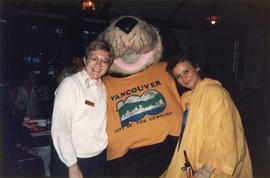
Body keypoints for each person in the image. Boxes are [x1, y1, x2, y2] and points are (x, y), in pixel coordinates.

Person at [162, 52, 253, 178]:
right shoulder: (185, 98)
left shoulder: (215, 93)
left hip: (213, 166)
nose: (184, 78)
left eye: (186, 71)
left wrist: (207, 169)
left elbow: (225, 132)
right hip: (191, 160)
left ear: (197, 67)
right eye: (178, 76)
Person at [51, 39, 114, 178]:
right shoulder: (70, 85)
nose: (98, 64)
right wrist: (72, 165)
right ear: (85, 60)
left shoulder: (102, 87)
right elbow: (60, 129)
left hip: (98, 155)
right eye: (94, 59)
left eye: (104, 61)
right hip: (75, 158)